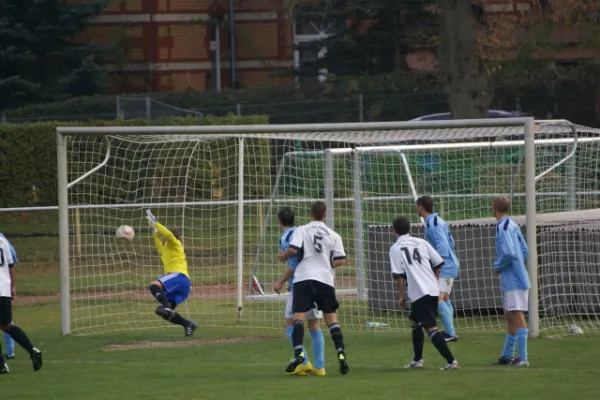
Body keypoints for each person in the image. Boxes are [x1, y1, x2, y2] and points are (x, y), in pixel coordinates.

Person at [278, 201, 349, 375]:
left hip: (304, 277)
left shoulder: (302, 229)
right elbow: (341, 260)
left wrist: (282, 256)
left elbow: (294, 250)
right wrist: (326, 262)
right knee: (331, 319)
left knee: (298, 318)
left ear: (310, 214)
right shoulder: (334, 235)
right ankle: (340, 353)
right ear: (325, 215)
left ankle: (298, 354)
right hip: (324, 279)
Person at [389, 216, 459, 370]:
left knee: (430, 328)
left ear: (395, 231)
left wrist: (401, 295)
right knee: (415, 322)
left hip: (420, 292)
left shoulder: (395, 248)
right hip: (432, 289)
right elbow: (439, 262)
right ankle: (417, 360)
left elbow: (399, 276)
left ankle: (451, 361)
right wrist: (435, 279)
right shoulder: (422, 242)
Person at [273, 207, 326, 376]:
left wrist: (280, 281)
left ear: (279, 221)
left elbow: (293, 265)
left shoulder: (288, 237)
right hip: (319, 281)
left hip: (301, 284)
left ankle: (303, 361)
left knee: (289, 322)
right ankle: (319, 367)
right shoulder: (304, 230)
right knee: (314, 324)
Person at [491, 196, 530, 367]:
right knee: (510, 315)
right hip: (514, 277)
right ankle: (507, 355)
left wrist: (498, 266)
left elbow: (509, 253)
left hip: (514, 279)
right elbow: (524, 250)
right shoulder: (512, 224)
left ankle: (522, 358)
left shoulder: (504, 227)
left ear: (494, 208)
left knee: (517, 314)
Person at [146, 210, 198, 337]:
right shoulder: (165, 249)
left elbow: (168, 235)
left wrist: (156, 223)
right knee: (163, 312)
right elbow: (159, 244)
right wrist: (154, 230)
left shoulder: (176, 243)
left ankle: (167, 306)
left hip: (180, 277)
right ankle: (187, 325)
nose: (163, 238)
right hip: (181, 287)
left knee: (154, 285)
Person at [416, 196, 459, 342]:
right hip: (450, 263)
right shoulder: (436, 220)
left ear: (420, 206)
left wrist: (437, 263)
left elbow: (443, 245)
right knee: (445, 298)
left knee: (438, 299)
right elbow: (451, 241)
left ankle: (450, 333)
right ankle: (449, 331)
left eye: (417, 207)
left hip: (445, 265)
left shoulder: (433, 223)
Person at [0, 234, 43, 374]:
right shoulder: (2, 240)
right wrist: (12, 287)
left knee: (5, 326)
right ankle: (32, 350)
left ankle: (2, 365)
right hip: (3, 289)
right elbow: (11, 265)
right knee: (6, 325)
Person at [0, 234, 16, 360]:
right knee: (6, 322)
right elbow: (13, 260)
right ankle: (10, 351)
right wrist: (12, 286)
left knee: (5, 322)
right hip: (5, 286)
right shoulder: (2, 238)